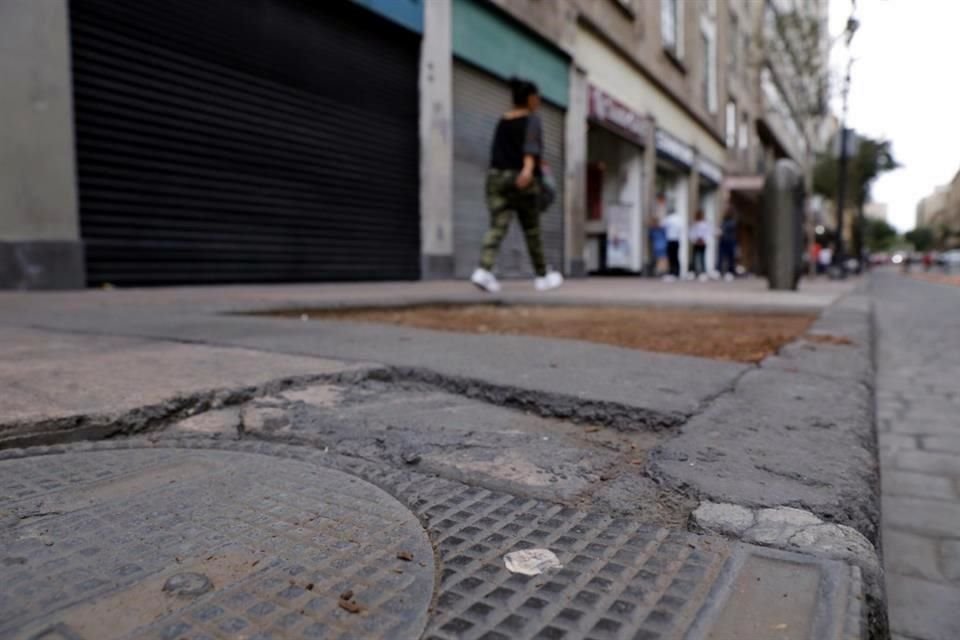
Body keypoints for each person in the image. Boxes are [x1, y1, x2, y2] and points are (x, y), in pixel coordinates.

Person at [471, 77, 563, 293]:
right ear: (531, 98)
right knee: (531, 229)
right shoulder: (532, 120)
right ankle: (542, 276)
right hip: (521, 178)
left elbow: (496, 152)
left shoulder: (503, 120)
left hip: (496, 178)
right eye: (537, 97)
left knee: (497, 226)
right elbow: (530, 148)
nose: (538, 101)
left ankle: (483, 270)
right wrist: (528, 170)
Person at [661, 202, 683, 280]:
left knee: (671, 257)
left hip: (670, 239)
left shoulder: (668, 218)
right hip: (676, 239)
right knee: (676, 257)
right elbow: (681, 228)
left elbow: (662, 226)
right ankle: (677, 272)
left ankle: (671, 272)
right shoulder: (679, 218)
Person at [689, 210, 712, 280]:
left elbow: (708, 233)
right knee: (694, 258)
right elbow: (691, 233)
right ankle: (693, 272)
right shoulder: (694, 224)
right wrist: (694, 240)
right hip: (696, 242)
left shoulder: (705, 224)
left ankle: (703, 272)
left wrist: (704, 240)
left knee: (702, 257)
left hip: (702, 243)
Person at [718, 209, 737, 281]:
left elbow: (725, 229)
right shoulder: (724, 221)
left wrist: (722, 232)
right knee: (722, 256)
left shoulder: (732, 222)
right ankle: (721, 270)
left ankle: (730, 271)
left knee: (730, 257)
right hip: (724, 241)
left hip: (729, 241)